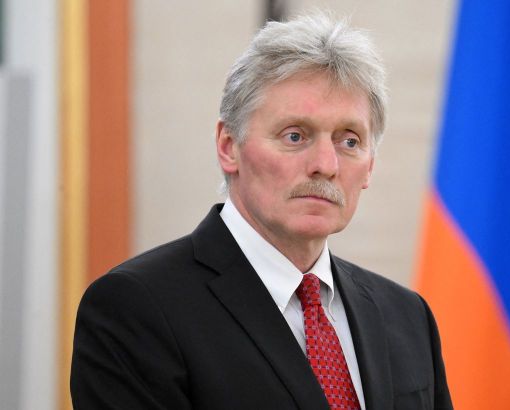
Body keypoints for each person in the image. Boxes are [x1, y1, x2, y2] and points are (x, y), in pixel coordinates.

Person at [71, 13, 452, 410]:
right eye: (295, 135)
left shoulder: (407, 317)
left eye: (349, 141)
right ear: (228, 146)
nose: (326, 164)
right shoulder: (136, 307)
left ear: (370, 165)